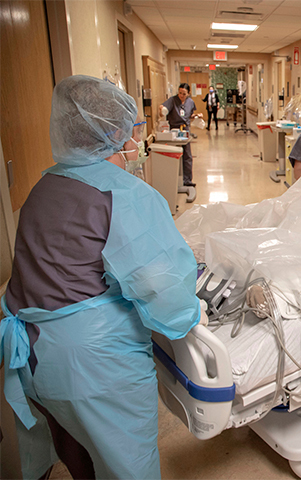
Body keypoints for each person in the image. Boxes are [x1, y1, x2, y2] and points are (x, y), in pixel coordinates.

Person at [0, 75, 206, 479]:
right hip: (93, 367)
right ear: (114, 131)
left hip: (33, 358)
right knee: (125, 465)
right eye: (131, 129)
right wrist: (194, 308)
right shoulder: (124, 195)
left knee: (74, 446)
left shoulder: (44, 184)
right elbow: (166, 296)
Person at [160, 83, 202, 187]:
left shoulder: (190, 102)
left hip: (185, 129)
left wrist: (196, 116)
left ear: (188, 94)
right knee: (174, 154)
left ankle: (187, 180)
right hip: (174, 129)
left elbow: (190, 115)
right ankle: (173, 179)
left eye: (184, 94)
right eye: (180, 93)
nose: (181, 95)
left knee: (187, 155)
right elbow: (162, 107)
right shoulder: (173, 100)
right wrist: (162, 109)